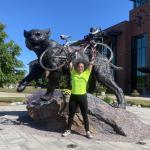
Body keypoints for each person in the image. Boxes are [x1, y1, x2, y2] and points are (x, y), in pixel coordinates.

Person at [62, 56, 94, 139]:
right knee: (71, 115)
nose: (80, 68)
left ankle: (87, 131)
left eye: (82, 67)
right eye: (79, 66)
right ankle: (68, 130)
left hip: (83, 97)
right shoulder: (73, 73)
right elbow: (70, 63)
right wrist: (69, 56)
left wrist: (93, 55)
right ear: (77, 67)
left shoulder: (86, 73)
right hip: (73, 97)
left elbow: (91, 64)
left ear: (84, 68)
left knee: (85, 115)